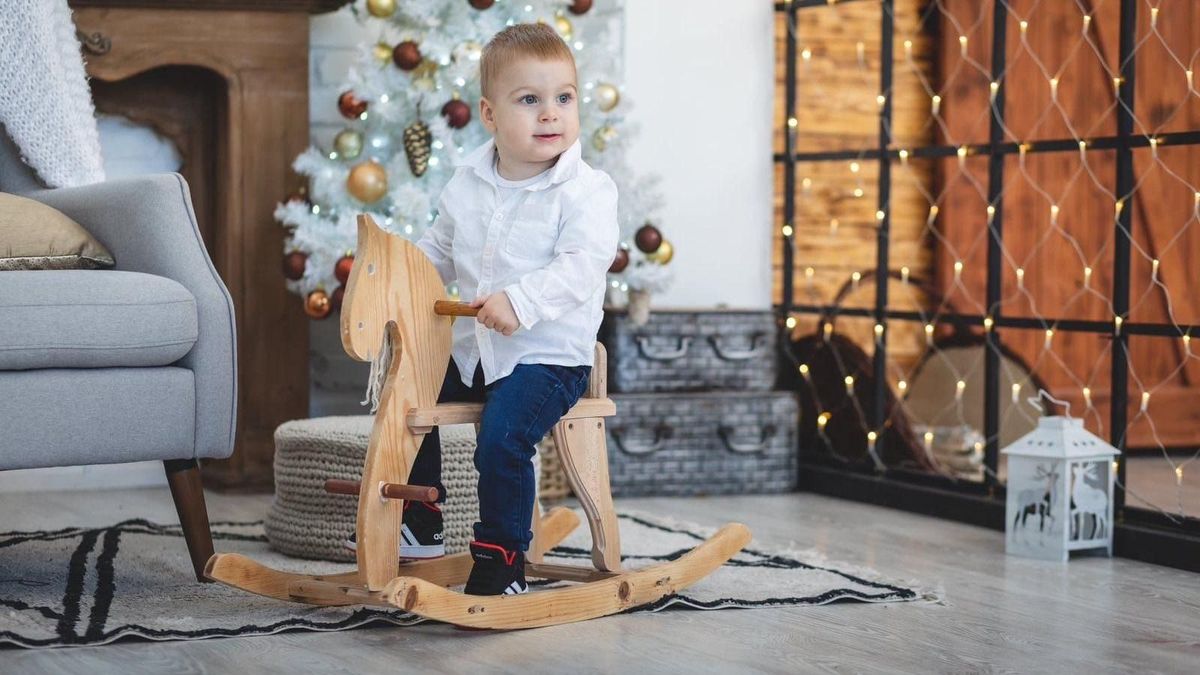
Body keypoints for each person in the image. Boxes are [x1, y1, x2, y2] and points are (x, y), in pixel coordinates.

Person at [346, 22, 619, 596]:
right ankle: (420, 524)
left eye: (563, 98)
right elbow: (438, 250)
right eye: (530, 100)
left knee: (502, 437)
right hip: (476, 354)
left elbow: (582, 265)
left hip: (547, 358)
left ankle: (502, 558)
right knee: (409, 396)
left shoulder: (587, 192)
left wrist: (520, 301)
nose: (551, 114)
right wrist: (404, 280)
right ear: (490, 115)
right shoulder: (467, 184)